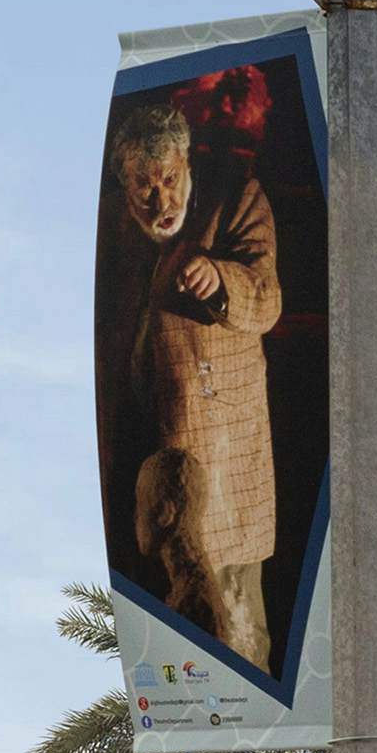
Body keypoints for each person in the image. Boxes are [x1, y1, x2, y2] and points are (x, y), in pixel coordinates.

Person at [94, 93, 285, 671]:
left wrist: (220, 280)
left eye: (170, 180)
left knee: (233, 619)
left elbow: (268, 300)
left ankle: (252, 741)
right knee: (166, 637)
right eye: (145, 188)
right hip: (144, 452)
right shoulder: (113, 232)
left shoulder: (236, 200)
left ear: (187, 164)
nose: (161, 199)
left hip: (221, 454)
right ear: (126, 188)